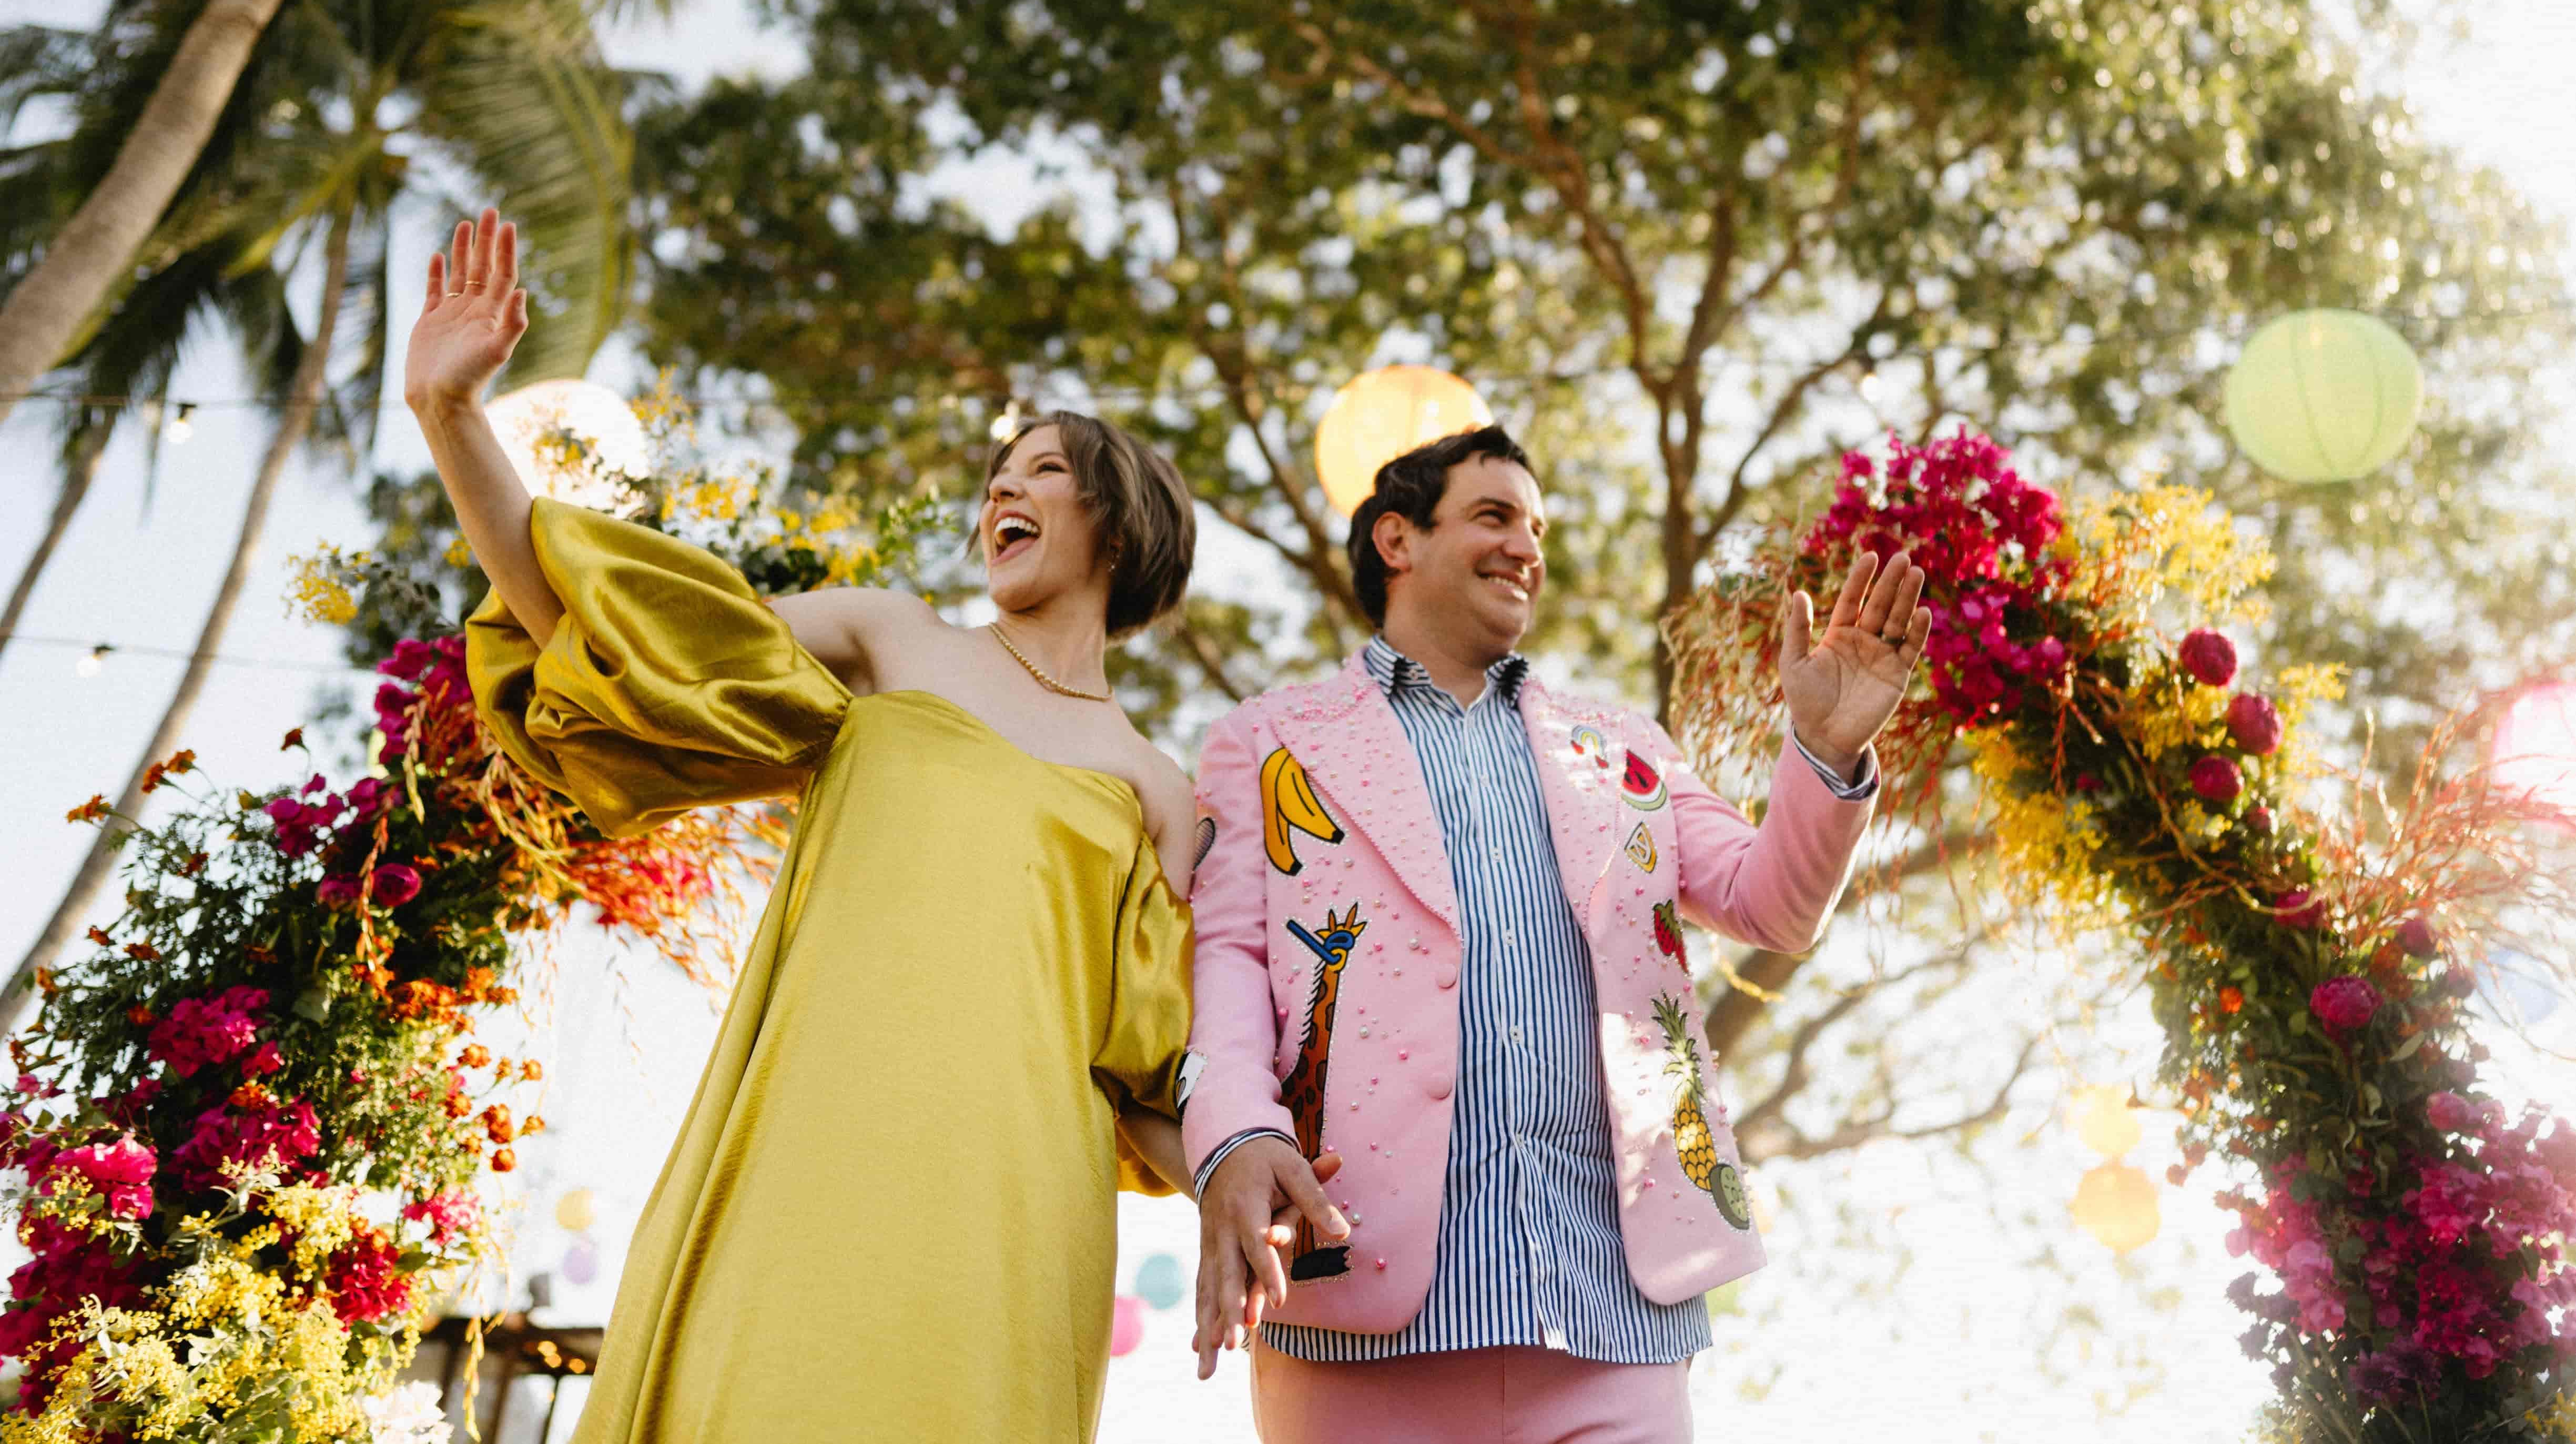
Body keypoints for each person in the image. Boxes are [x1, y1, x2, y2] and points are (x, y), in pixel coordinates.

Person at [407, 211, 1202, 1442]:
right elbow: (604, 630)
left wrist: (1259, 1179)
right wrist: (448, 414)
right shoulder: (893, 639)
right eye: (1003, 472)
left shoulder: (1161, 788)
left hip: (1015, 1191)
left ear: (1121, 519)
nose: (1005, 485)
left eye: (1045, 469)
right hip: (813, 1126)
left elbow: (1146, 1073)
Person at [1181, 426, 1928, 1442]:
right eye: (1494, 515)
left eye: (1536, 527)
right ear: (1396, 540)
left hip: (1614, 1317)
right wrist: (1235, 1135)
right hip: (1359, 1312)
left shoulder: (1620, 745)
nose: (1526, 547)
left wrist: (1825, 751)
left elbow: (1772, 908)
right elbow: (1224, 961)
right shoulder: (1267, 739)